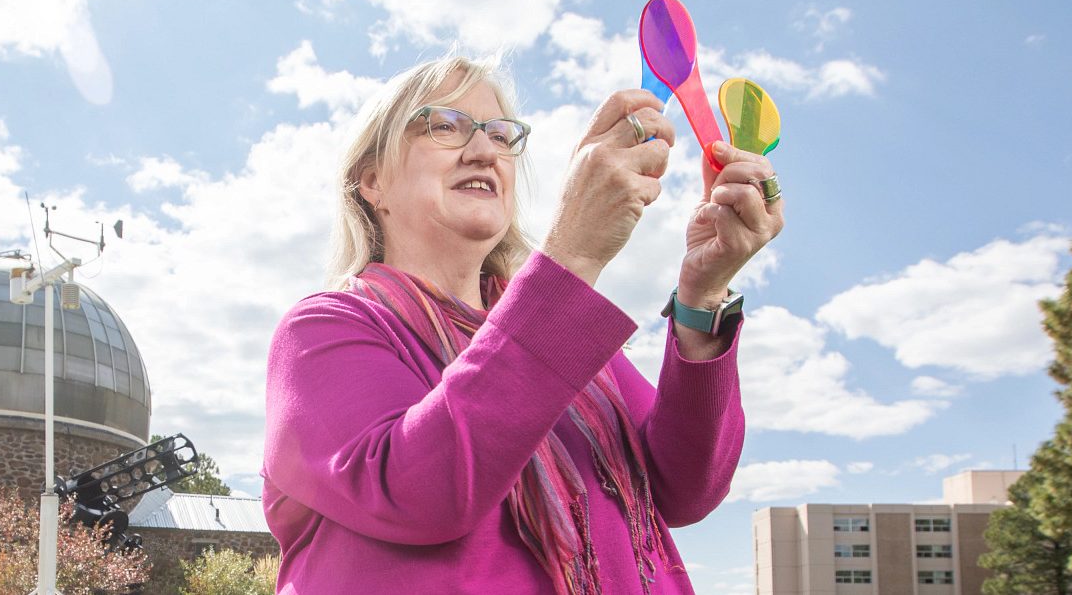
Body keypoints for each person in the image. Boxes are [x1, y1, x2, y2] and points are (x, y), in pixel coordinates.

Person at [261, 55, 784, 593]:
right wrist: (573, 254)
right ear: (372, 181)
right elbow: (422, 491)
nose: (485, 151)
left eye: (501, 134)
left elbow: (686, 488)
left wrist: (702, 296)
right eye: (446, 125)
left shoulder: (562, 335)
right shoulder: (320, 330)